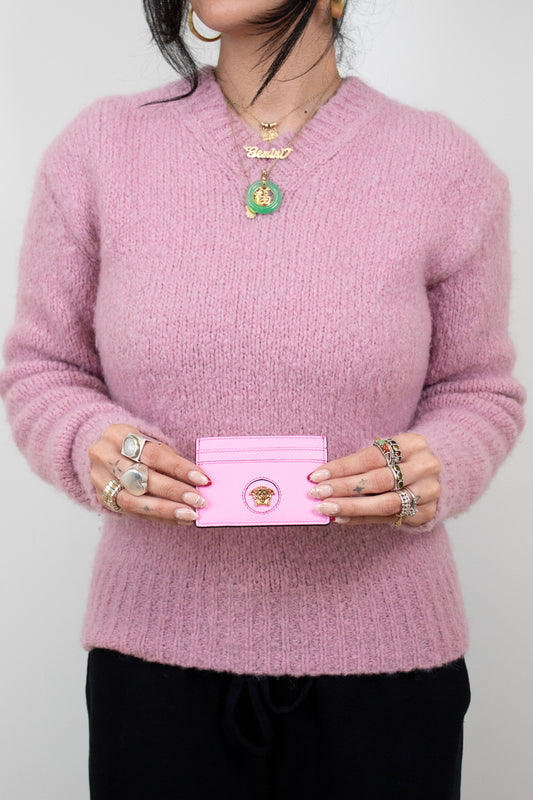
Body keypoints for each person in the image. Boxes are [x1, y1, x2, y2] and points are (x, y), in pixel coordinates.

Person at [0, 1, 526, 798]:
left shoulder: (443, 165)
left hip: (384, 673)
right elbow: (43, 367)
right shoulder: (99, 151)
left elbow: (477, 389)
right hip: (153, 667)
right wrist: (87, 439)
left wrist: (438, 462)